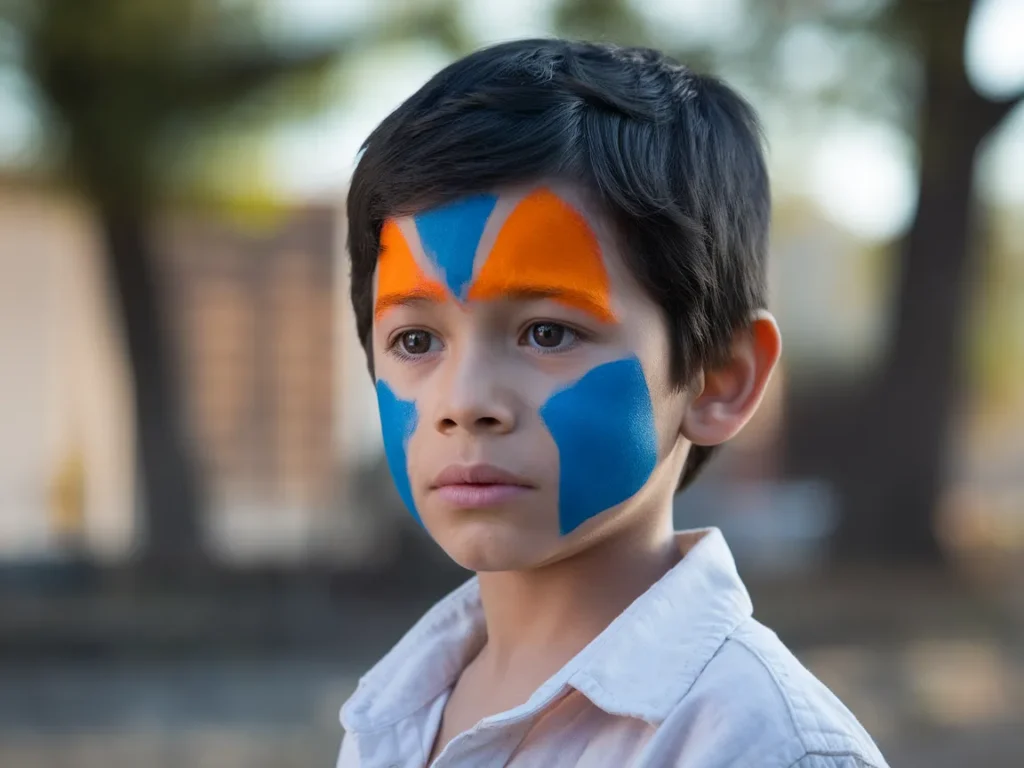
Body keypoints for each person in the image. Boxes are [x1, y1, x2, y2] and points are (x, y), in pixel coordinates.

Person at [337, 38, 888, 768]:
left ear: (719, 378)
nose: (463, 402)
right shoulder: (394, 712)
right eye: (414, 341)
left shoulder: (764, 745)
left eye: (546, 331)